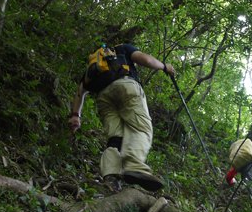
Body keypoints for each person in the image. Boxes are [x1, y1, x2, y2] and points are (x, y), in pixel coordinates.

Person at [69, 42, 176, 192]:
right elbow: (146, 60)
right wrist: (165, 67)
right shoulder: (122, 49)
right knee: (141, 128)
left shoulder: (95, 66)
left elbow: (81, 91)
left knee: (115, 136)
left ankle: (111, 176)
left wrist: (75, 115)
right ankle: (134, 165)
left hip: (104, 97)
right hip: (127, 87)